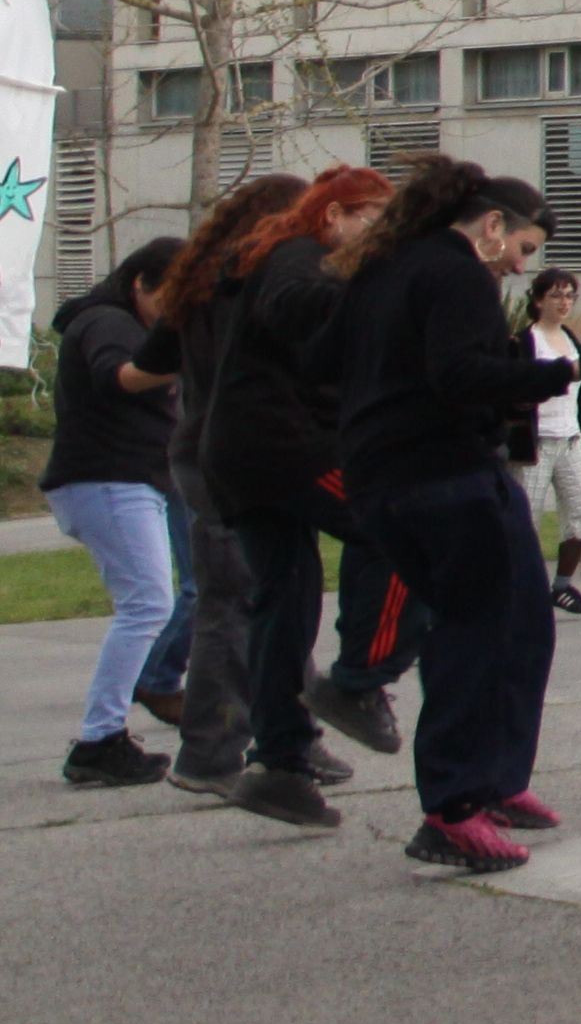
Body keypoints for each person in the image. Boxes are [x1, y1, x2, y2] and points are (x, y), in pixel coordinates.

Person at [324, 157, 581, 875]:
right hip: (445, 475)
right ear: (493, 227)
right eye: (524, 251)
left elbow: (323, 359)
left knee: (521, 619)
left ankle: (494, 778)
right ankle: (454, 806)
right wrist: (560, 372)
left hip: (391, 478)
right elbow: (460, 376)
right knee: (477, 636)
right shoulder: (458, 272)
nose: (520, 269)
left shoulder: (381, 267)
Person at [146, 167, 390, 821]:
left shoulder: (207, 280)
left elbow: (150, 362)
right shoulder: (280, 269)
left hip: (212, 446)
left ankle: (287, 748)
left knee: (272, 595)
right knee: (235, 601)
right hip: (255, 447)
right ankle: (213, 753)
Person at [46, 242, 187, 790]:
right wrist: (183, 359)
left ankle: (104, 736)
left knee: (148, 602)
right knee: (148, 603)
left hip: (122, 480)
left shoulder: (124, 320)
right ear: (139, 284)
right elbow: (119, 376)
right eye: (170, 297)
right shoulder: (105, 321)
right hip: (105, 480)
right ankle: (99, 740)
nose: (175, 311)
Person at [518, 271, 581, 616]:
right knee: (525, 522)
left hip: (570, 439)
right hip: (537, 442)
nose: (564, 302)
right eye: (556, 295)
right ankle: (524, 590)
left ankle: (562, 585)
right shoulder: (527, 341)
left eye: (569, 296)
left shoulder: (570, 339)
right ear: (539, 300)